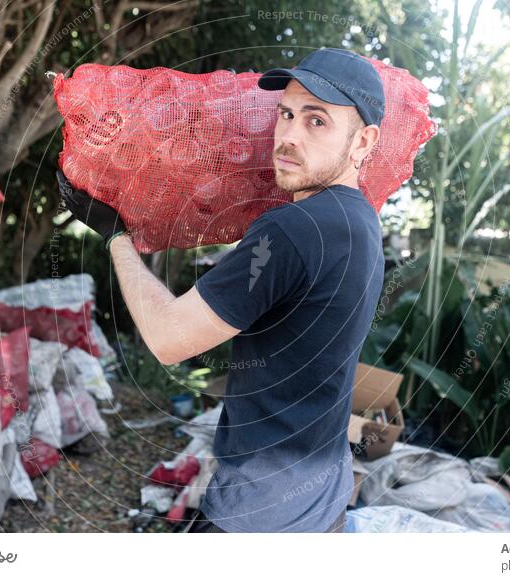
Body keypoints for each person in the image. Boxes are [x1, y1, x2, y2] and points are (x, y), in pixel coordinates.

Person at [56, 47, 386, 533]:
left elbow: (168, 339)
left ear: (363, 141)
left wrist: (115, 236)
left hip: (258, 518)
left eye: (316, 122)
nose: (289, 136)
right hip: (322, 505)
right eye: (286, 115)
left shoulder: (293, 230)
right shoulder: (362, 221)